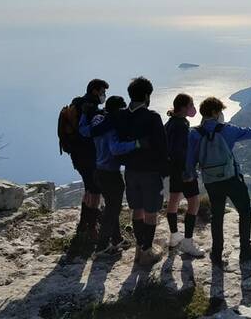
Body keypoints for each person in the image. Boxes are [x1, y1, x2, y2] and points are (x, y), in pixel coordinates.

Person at [184, 97, 251, 267]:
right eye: (220, 111)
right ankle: (245, 250)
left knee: (217, 215)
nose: (221, 114)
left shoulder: (194, 134)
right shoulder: (227, 130)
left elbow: (189, 159)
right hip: (232, 179)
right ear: (214, 112)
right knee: (244, 211)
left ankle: (217, 254)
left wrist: (190, 175)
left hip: (211, 181)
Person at [79, 95, 143, 259]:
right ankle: (102, 247)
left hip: (98, 170)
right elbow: (115, 149)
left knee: (111, 207)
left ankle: (117, 240)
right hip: (110, 174)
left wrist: (84, 115)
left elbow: (83, 131)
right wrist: (136, 144)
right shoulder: (112, 127)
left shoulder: (97, 121)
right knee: (112, 209)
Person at [115, 76, 169, 266]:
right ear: (147, 96)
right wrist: (164, 171)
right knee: (151, 212)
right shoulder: (152, 117)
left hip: (130, 171)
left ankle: (139, 249)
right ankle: (146, 251)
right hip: (150, 172)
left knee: (136, 210)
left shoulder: (120, 115)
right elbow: (162, 147)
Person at [164, 94, 205, 257]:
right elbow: (181, 151)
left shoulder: (170, 123)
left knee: (173, 200)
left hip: (173, 169)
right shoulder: (181, 125)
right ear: (182, 107)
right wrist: (187, 172)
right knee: (194, 203)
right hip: (184, 170)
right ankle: (188, 242)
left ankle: (174, 236)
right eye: (191, 104)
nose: (193, 107)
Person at [70, 79, 108, 240]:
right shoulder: (91, 109)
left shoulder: (76, 103)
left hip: (77, 155)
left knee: (88, 187)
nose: (103, 95)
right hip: (90, 155)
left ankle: (84, 223)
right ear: (94, 91)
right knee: (95, 190)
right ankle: (92, 229)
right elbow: (92, 131)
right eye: (102, 92)